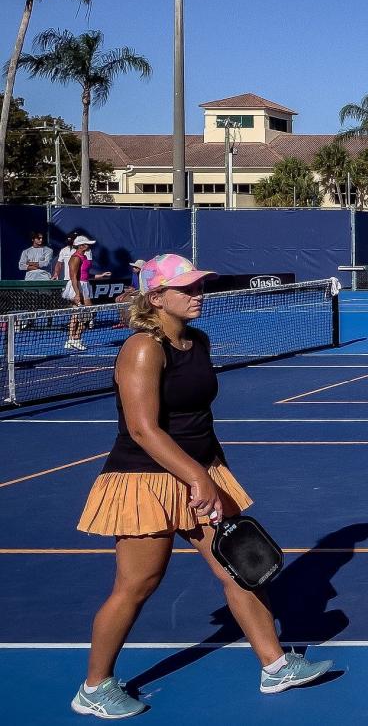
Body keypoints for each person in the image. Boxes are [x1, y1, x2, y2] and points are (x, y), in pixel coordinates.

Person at [72, 255, 331, 718]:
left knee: (240, 568)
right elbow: (142, 430)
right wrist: (197, 477)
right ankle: (94, 686)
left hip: (200, 473)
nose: (198, 295)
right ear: (156, 299)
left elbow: (198, 420)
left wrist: (214, 472)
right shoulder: (142, 349)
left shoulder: (199, 341)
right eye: (187, 289)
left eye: (199, 287)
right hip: (143, 480)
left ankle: (274, 666)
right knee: (138, 584)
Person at [63, 236, 109, 351]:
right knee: (87, 315)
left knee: (76, 315)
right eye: (86, 244)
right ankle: (76, 339)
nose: (88, 246)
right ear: (81, 245)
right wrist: (77, 293)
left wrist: (100, 276)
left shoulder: (84, 257)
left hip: (84, 285)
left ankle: (71, 340)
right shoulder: (75, 258)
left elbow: (86, 275)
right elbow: (73, 277)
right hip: (77, 286)